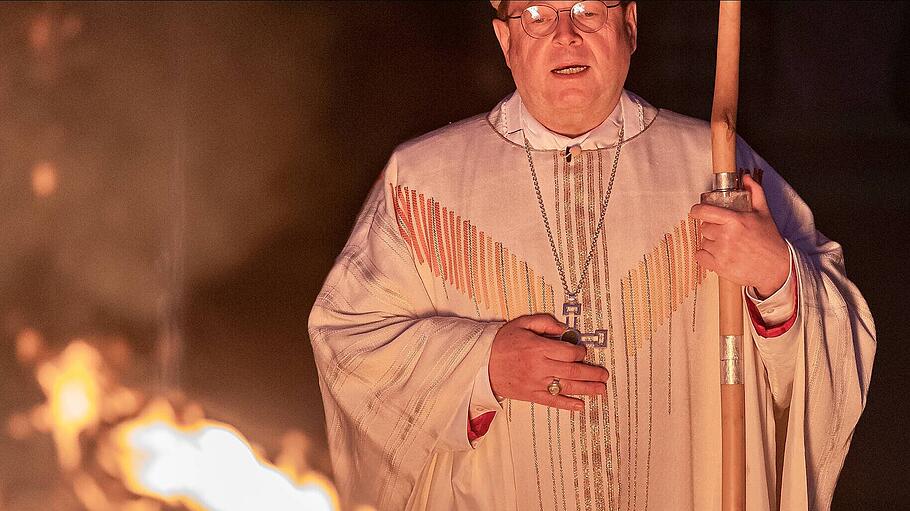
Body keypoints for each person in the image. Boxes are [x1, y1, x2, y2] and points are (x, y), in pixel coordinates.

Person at [307, 1, 875, 510]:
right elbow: (347, 339)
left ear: (629, 25)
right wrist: (481, 364)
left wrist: (776, 275)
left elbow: (837, 347)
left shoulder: (718, 168)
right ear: (506, 41)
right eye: (537, 14)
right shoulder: (423, 182)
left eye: (587, 10)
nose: (565, 34)